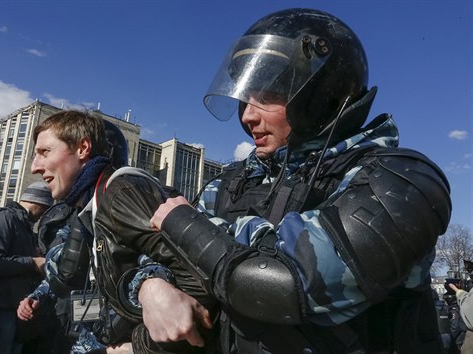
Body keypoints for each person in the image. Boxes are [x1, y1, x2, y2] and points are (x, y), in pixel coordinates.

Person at [146, 8, 452, 353]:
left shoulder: (400, 181)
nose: (247, 115)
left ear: (319, 94)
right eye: (245, 97)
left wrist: (183, 223)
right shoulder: (231, 182)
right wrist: (151, 286)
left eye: (266, 94)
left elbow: (284, 285)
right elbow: (162, 257)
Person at [28, 110, 216, 354]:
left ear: (83, 148)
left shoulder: (117, 193)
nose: (35, 167)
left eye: (45, 152)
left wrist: (136, 342)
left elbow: (197, 275)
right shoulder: (92, 204)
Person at [0, 181, 54, 354]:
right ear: (38, 202)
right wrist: (32, 263)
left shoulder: (23, 224)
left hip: (14, 308)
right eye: (44, 209)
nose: (43, 215)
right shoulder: (3, 218)